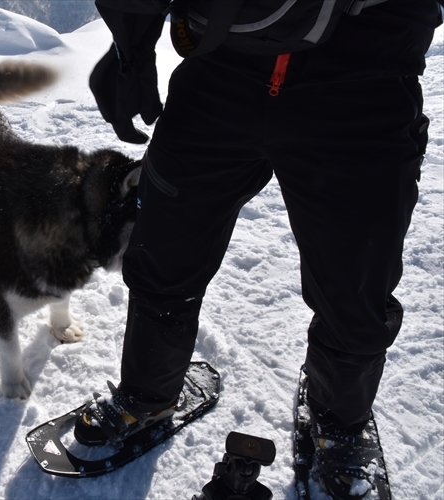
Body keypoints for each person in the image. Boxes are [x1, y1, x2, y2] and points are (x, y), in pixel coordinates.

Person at [72, 1, 442, 498]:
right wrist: (131, 48)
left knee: (356, 289)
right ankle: (149, 395)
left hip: (362, 74)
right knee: (163, 255)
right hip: (221, 62)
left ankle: (337, 422)